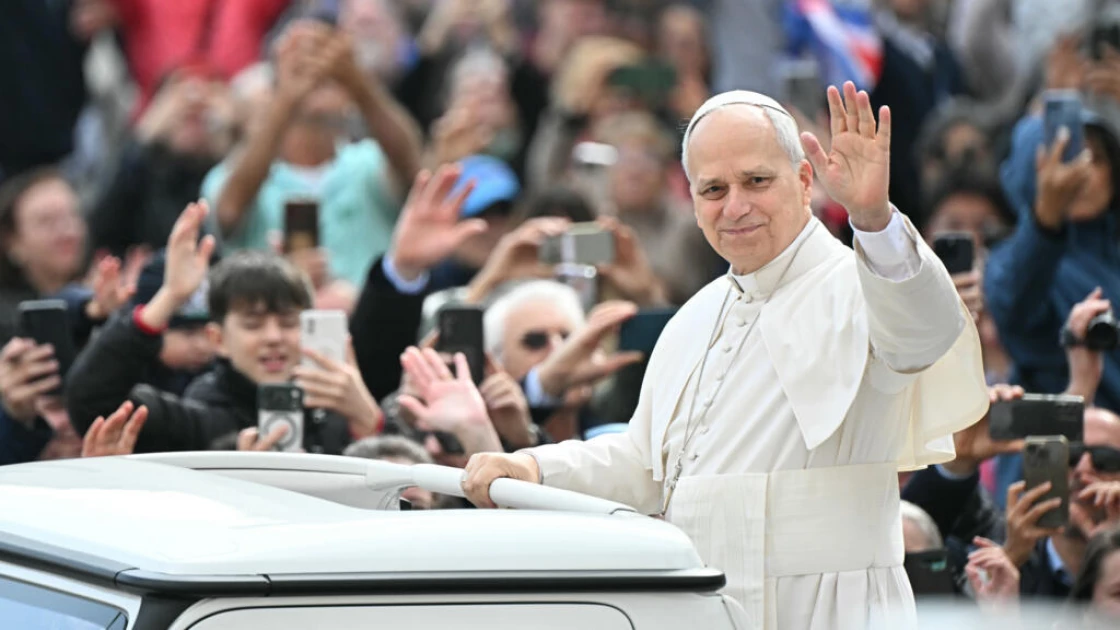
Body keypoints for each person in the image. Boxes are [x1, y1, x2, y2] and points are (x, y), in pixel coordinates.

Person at [461, 84, 989, 626]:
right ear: (691, 203)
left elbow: (923, 338)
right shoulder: (693, 317)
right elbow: (644, 465)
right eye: (713, 189)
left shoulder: (864, 281)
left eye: (756, 181)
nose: (735, 206)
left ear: (804, 181)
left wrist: (874, 219)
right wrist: (532, 465)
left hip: (831, 608)